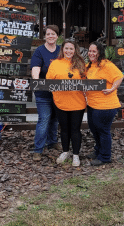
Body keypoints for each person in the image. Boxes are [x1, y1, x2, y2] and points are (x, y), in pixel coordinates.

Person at [46, 39, 86, 167]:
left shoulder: (81, 64)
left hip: (77, 102)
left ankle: (75, 155)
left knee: (75, 129)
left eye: (71, 49)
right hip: (60, 101)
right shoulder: (55, 63)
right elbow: (49, 82)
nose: (68, 51)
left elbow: (87, 82)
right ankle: (65, 151)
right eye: (66, 48)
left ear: (75, 50)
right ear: (62, 49)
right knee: (64, 129)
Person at [85, 42, 124, 166]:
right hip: (92, 104)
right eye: (90, 51)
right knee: (94, 129)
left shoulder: (106, 64)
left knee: (103, 131)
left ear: (100, 52)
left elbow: (119, 76)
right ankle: (98, 151)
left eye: (94, 51)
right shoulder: (89, 66)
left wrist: (113, 88)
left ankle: (105, 156)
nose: (91, 53)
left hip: (106, 106)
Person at [30, 24, 61, 161]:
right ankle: (38, 149)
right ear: (44, 36)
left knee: (54, 119)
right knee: (44, 119)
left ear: (57, 36)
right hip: (43, 92)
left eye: (53, 34)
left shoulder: (61, 50)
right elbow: (36, 68)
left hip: (59, 92)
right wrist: (37, 83)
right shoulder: (39, 51)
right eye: (48, 34)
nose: (50, 36)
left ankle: (52, 142)